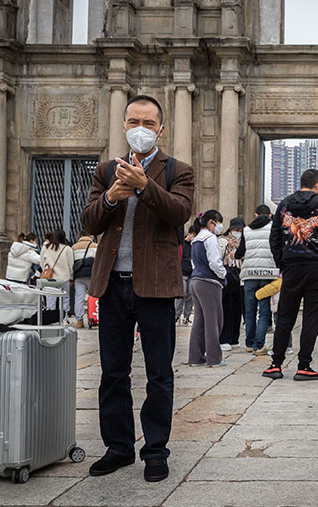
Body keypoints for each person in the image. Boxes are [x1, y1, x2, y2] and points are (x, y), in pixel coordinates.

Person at [81, 94, 194, 483]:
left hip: (156, 286)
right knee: (113, 372)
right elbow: (89, 222)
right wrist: (112, 196)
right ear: (124, 125)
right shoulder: (106, 170)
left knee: (158, 372)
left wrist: (145, 187)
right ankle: (118, 447)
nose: (140, 129)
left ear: (160, 128)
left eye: (148, 123)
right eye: (133, 122)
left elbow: (180, 213)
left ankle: (156, 451)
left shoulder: (178, 170)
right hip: (112, 284)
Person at [262, 169, 318, 382]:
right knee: (312, 318)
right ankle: (304, 366)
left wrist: (283, 263)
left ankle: (275, 364)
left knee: (285, 316)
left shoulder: (284, 205)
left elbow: (275, 238)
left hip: (292, 268)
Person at [236, 204, 279, 355]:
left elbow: (239, 253)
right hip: (268, 275)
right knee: (264, 312)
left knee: (249, 311)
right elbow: (278, 250)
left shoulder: (246, 230)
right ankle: (258, 346)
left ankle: (249, 343)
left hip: (249, 274)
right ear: (270, 215)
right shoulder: (274, 228)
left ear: (255, 215)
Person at [187, 210, 227, 367]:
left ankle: (195, 357)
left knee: (199, 321)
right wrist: (223, 275)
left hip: (196, 280)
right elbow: (215, 262)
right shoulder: (210, 238)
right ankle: (214, 358)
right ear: (212, 222)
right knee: (213, 321)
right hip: (209, 282)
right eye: (219, 222)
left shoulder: (196, 239)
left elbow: (193, 263)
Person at [218, 217, 245, 351]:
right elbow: (218, 257)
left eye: (240, 230)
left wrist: (240, 250)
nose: (238, 232)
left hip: (240, 278)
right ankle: (224, 338)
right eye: (236, 229)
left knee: (237, 310)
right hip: (227, 278)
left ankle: (234, 337)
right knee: (226, 309)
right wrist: (229, 247)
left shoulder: (244, 241)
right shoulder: (222, 240)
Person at [39, 229, 74, 312]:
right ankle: (64, 318)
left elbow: (41, 262)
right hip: (64, 277)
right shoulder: (67, 249)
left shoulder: (45, 248)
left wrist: (46, 270)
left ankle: (50, 318)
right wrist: (71, 277)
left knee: (50, 299)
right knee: (65, 298)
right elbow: (70, 265)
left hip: (49, 278)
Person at [71, 232, 98, 328]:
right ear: (91, 236)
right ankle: (94, 317)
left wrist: (72, 277)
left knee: (79, 298)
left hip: (79, 276)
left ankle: (79, 321)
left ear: (79, 236)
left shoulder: (74, 247)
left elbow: (71, 264)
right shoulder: (95, 246)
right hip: (92, 276)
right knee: (94, 297)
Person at [175, 225, 197, 326]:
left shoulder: (195, 245)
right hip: (182, 272)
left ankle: (186, 317)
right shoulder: (182, 243)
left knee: (190, 295)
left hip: (192, 273)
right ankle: (177, 315)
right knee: (182, 294)